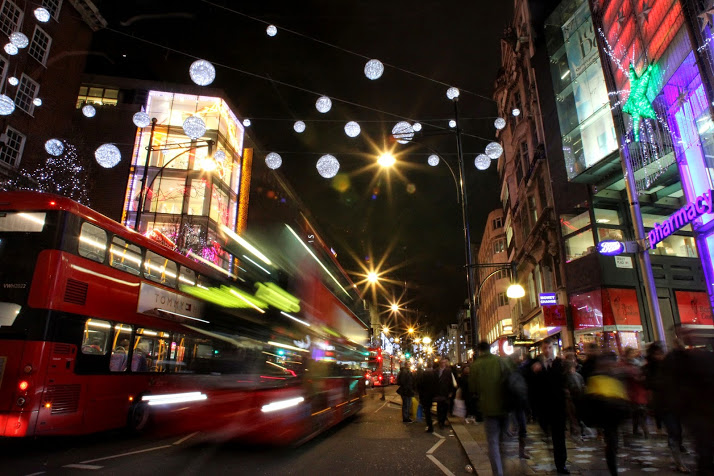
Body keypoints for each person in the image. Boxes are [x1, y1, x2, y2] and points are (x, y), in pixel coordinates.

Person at [530, 337, 569, 474]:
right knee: (548, 435)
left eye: (550, 347)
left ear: (553, 348)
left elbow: (565, 383)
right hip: (544, 409)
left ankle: (561, 464)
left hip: (558, 408)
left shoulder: (560, 363)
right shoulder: (537, 365)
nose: (547, 350)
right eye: (545, 348)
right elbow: (533, 388)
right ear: (542, 349)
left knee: (559, 437)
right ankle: (554, 457)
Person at [469, 341, 509, 476]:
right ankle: (504, 465)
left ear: (479, 350)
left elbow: (472, 388)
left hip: (488, 408)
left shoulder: (476, 365)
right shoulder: (499, 361)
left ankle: (498, 472)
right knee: (503, 440)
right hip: (504, 406)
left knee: (492, 442)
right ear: (489, 349)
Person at [621, 347, 649, 438]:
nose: (633, 354)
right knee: (637, 412)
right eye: (631, 353)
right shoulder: (624, 364)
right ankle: (643, 431)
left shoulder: (638, 363)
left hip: (639, 390)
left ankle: (638, 430)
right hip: (631, 391)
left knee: (640, 412)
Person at [417, 363, 439, 433]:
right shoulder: (434, 374)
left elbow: (419, 385)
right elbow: (437, 384)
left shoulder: (423, 375)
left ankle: (430, 426)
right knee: (429, 409)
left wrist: (420, 396)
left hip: (425, 395)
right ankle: (431, 425)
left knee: (427, 411)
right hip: (431, 395)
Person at [435, 357, 455, 429]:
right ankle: (440, 421)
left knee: (445, 407)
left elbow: (451, 382)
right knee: (439, 407)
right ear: (439, 363)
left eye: (444, 362)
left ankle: (442, 421)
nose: (443, 364)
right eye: (442, 362)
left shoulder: (448, 371)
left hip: (446, 392)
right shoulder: (436, 371)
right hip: (438, 392)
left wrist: (451, 392)